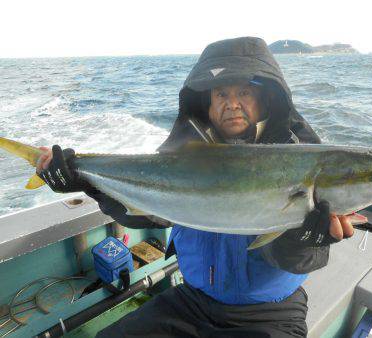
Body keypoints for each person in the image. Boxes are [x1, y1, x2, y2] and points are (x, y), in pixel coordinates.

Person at [37, 37, 353, 338]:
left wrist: (303, 242)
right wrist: (87, 183)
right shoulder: (183, 156)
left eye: (244, 93)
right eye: (221, 95)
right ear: (207, 102)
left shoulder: (303, 158)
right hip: (191, 301)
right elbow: (145, 216)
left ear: (266, 98)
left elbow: (299, 260)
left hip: (270, 313)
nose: (232, 104)